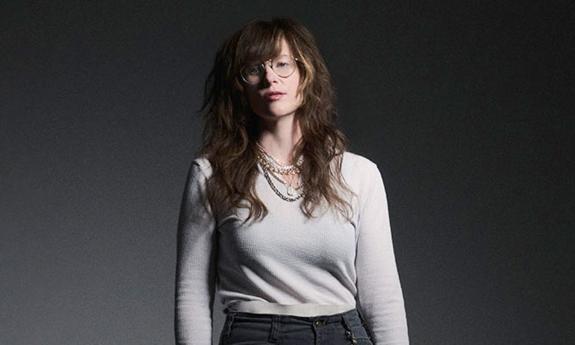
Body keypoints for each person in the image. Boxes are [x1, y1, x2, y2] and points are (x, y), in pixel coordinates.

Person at [175, 17, 410, 345]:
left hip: (342, 335)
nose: (270, 77)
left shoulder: (359, 175)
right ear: (238, 86)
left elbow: (382, 299)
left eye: (283, 64)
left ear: (306, 73)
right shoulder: (212, 174)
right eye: (253, 69)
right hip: (252, 334)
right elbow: (192, 296)